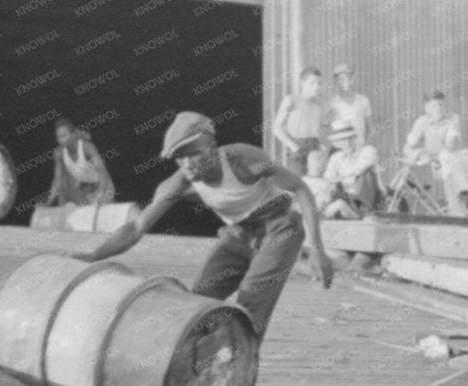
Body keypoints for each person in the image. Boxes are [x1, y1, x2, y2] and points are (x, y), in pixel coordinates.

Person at [77, 112, 332, 339]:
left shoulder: (242, 159)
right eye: (180, 157)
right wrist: (93, 255)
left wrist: (318, 250)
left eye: (194, 153)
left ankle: (239, 360)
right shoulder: (179, 184)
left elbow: (300, 188)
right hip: (240, 235)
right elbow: (136, 228)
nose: (188, 164)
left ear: (212, 145)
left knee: (251, 297)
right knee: (197, 301)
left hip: (279, 227)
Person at [401, 90, 468, 217]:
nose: (439, 108)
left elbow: (449, 147)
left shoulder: (452, 119)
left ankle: (465, 192)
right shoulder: (421, 122)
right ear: (426, 108)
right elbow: (408, 146)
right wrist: (413, 155)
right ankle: (460, 212)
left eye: (441, 104)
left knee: (445, 156)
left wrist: (426, 155)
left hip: (462, 164)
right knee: (448, 176)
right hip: (442, 168)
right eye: (434, 105)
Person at [43, 118, 116, 207]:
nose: (61, 139)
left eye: (64, 135)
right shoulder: (59, 153)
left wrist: (100, 193)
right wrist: (48, 203)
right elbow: (57, 180)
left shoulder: (87, 147)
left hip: (104, 187)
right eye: (58, 136)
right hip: (86, 191)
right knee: (63, 185)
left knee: (98, 215)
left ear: (73, 135)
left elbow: (103, 171)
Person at [317, 119, 381, 219]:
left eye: (349, 139)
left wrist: (340, 177)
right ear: (337, 143)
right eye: (342, 140)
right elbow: (328, 177)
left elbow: (360, 168)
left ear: (355, 138)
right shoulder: (336, 157)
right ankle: (319, 215)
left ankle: (364, 211)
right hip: (345, 197)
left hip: (367, 199)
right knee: (328, 188)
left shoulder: (368, 150)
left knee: (367, 173)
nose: (346, 143)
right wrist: (329, 184)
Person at [269, 66, 329, 169]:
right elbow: (276, 128)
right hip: (298, 148)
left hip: (315, 150)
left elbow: (320, 131)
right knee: (298, 183)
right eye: (313, 83)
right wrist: (294, 147)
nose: (317, 87)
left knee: (314, 183)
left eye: (319, 83)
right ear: (302, 83)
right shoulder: (291, 100)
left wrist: (322, 146)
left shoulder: (318, 108)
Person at [329, 62, 373, 150]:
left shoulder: (363, 101)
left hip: (359, 149)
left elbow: (371, 129)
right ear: (336, 82)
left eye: (349, 78)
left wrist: (363, 148)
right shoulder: (332, 104)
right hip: (340, 151)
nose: (346, 82)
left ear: (353, 79)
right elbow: (328, 131)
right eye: (341, 79)